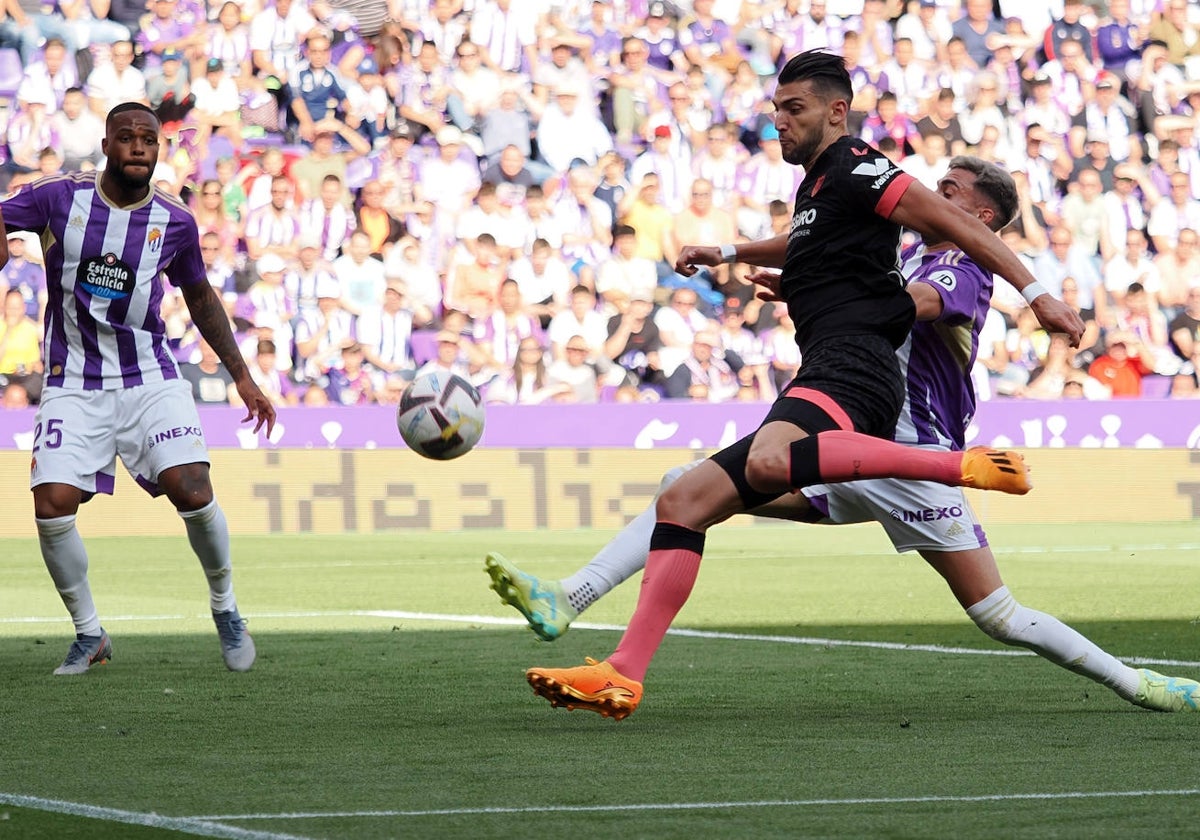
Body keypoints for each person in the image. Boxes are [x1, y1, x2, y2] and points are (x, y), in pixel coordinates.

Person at [493, 157, 1200, 719]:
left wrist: (823, 293)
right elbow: (832, 253)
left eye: (949, 189)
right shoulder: (907, 255)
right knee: (687, 489)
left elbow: (909, 308)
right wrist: (791, 277)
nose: (931, 193)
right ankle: (574, 599)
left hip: (909, 460)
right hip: (849, 448)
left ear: (980, 214)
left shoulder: (960, 266)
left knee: (1000, 615)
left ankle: (1139, 685)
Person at [0, 102, 275, 676]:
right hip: (72, 379)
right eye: (125, 138)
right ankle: (89, 633)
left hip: (148, 375)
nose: (137, 147)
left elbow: (200, 297)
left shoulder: (175, 221)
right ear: (106, 145)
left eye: (147, 139)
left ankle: (225, 608)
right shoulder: (58, 197)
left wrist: (242, 375)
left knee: (192, 487)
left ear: (157, 149)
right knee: (51, 505)